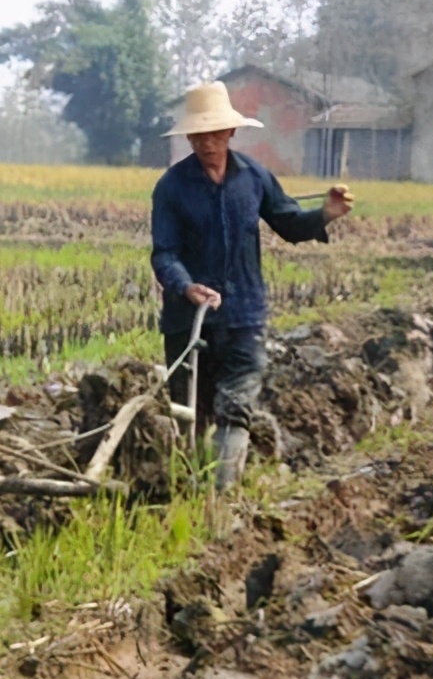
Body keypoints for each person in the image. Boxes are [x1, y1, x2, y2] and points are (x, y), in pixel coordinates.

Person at [151, 81, 353, 489]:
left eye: (214, 133)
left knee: (237, 404)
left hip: (244, 314)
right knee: (190, 409)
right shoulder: (171, 187)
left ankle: (220, 494)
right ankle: (189, 488)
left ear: (230, 133)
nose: (207, 143)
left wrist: (326, 214)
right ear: (189, 136)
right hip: (188, 320)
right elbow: (164, 253)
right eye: (198, 135)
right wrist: (187, 287)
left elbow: (289, 223)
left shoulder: (254, 177)